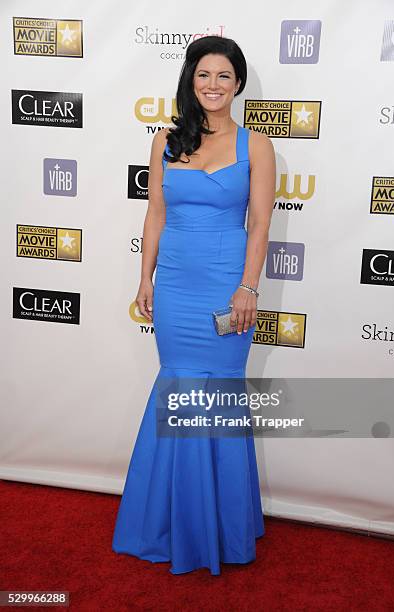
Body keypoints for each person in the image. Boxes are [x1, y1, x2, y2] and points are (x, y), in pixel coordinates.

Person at [112, 35, 276, 576]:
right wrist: (146, 279)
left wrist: (249, 287)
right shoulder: (165, 140)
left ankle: (223, 529)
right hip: (178, 287)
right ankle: (169, 523)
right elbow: (154, 215)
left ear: (238, 84)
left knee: (220, 395)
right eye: (204, 74)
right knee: (178, 387)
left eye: (224, 76)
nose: (213, 85)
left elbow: (260, 226)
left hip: (229, 289)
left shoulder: (257, 145)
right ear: (190, 79)